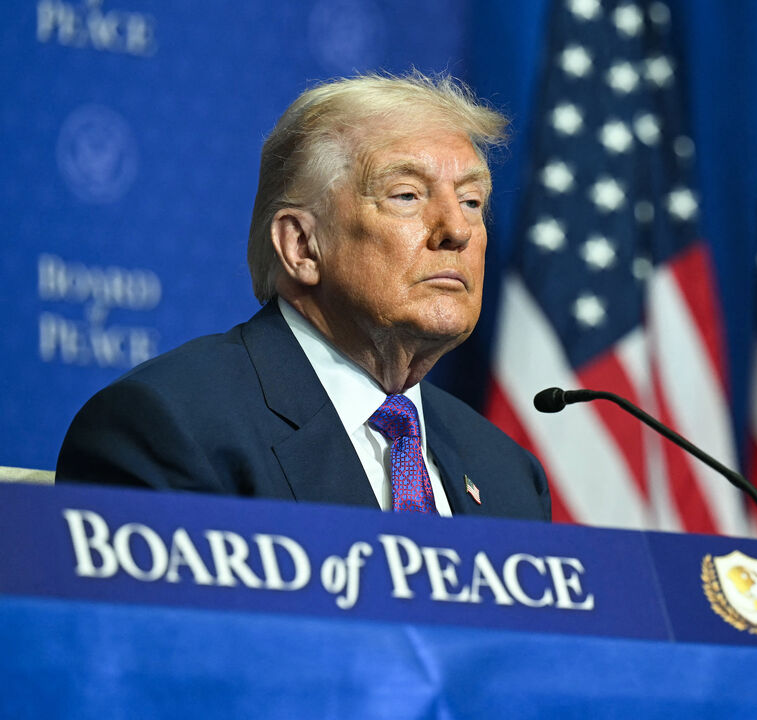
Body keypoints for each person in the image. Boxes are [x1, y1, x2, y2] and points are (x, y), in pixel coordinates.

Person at [56, 72, 551, 522]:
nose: (457, 230)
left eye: (471, 201)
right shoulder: (170, 429)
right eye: (407, 195)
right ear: (302, 246)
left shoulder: (508, 473)